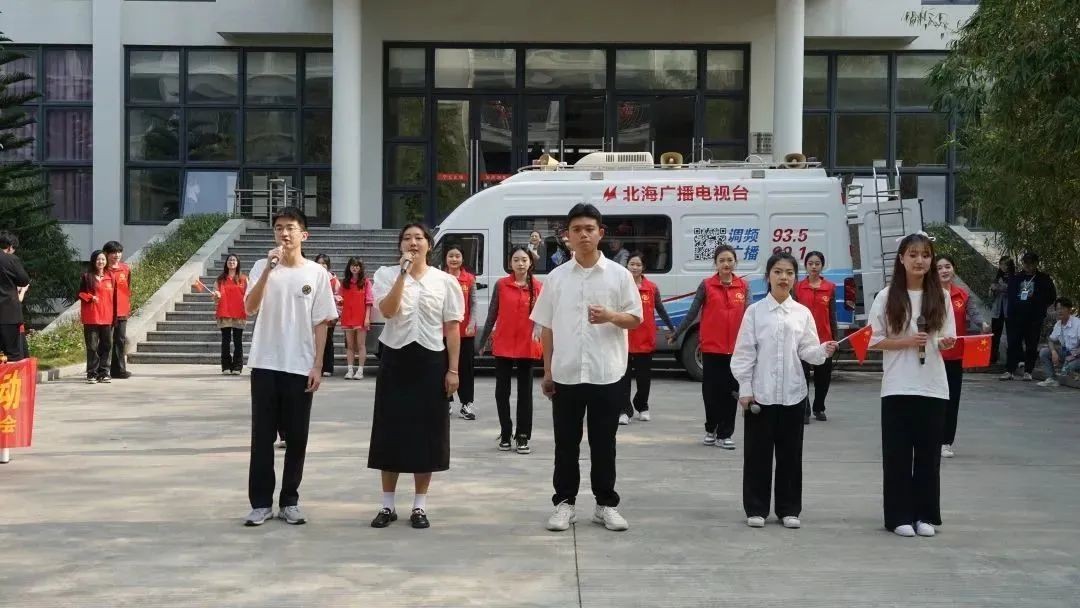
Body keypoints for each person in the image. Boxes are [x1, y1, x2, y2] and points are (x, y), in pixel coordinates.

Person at [531, 203, 642, 533]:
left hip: (607, 373)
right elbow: (547, 326)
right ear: (567, 235)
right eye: (576, 229)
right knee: (566, 444)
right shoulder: (556, 278)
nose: (583, 235)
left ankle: (605, 504)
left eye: (589, 229)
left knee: (604, 443)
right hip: (566, 374)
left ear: (600, 233)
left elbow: (635, 318)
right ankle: (564, 504)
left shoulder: (619, 276)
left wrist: (610, 316)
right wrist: (547, 371)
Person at [242, 207, 337, 527]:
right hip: (265, 362)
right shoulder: (261, 266)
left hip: (300, 366)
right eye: (279, 227)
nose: (284, 233)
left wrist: (318, 364)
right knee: (262, 437)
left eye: (290, 228)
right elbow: (249, 307)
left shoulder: (316, 273)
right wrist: (269, 271)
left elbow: (322, 322)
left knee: (297, 437)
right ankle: (260, 503)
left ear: (303, 235)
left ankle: (290, 501)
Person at [731, 252, 838, 529]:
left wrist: (822, 351)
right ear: (768, 276)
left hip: (793, 394)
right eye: (778, 272)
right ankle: (756, 508)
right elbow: (744, 353)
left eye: (789, 273)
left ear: (795, 278)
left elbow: (808, 350)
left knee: (791, 455)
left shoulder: (802, 313)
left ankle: (789, 509)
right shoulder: (755, 312)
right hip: (761, 395)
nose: (783, 277)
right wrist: (745, 388)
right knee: (757, 455)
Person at [368, 223, 464, 530]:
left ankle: (419, 505)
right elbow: (387, 311)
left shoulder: (445, 281)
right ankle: (387, 504)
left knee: (427, 433)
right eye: (407, 238)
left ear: (429, 245)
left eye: (419, 238)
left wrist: (453, 370)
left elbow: (452, 327)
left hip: (430, 360)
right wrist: (402, 274)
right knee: (390, 431)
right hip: (395, 359)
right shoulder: (386, 274)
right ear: (400, 245)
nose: (413, 242)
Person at [868, 232, 957, 538]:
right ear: (902, 258)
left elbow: (946, 336)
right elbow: (873, 340)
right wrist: (906, 341)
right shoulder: (886, 296)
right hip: (898, 386)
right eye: (914, 254)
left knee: (929, 457)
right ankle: (899, 516)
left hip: (933, 386)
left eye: (926, 255)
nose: (920, 260)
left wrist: (945, 342)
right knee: (898, 456)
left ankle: (925, 516)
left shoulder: (941, 296)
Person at [670, 244, 750, 449]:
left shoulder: (743, 286)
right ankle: (711, 428)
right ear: (715, 264)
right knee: (712, 393)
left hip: (735, 351)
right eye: (722, 260)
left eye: (729, 260)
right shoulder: (706, 285)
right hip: (711, 349)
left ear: (735, 262)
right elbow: (692, 313)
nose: (726, 264)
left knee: (731, 393)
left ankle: (725, 434)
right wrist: (677, 334)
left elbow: (751, 317)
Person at [478, 246, 543, 454]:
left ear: (530, 262)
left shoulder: (538, 286)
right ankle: (506, 432)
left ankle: (522, 435)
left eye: (524, 259)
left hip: (527, 345)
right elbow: (492, 313)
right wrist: (482, 341)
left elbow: (543, 317)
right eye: (516, 260)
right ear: (510, 263)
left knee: (525, 393)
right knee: (501, 392)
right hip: (503, 344)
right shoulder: (501, 284)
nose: (520, 263)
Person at [936, 255, 986, 459]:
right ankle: (928, 439)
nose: (944, 270)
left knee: (952, 400)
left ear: (953, 269)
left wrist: (983, 325)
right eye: (939, 268)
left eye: (947, 266)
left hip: (955, 356)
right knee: (932, 400)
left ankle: (946, 442)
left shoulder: (962, 295)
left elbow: (975, 315)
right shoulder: (929, 295)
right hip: (933, 355)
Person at [620, 251, 675, 424]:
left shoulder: (651, 288)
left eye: (638, 265)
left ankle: (642, 406)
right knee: (623, 379)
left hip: (645, 340)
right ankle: (624, 411)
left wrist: (672, 328)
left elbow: (660, 309)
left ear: (643, 267)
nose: (635, 267)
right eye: (632, 264)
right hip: (624, 340)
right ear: (627, 266)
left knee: (644, 380)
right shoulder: (621, 286)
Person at [794, 251, 838, 424]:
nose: (814, 267)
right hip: (802, 339)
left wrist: (835, 339)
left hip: (824, 339)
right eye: (810, 263)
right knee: (802, 376)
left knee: (823, 377)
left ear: (822, 266)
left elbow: (832, 315)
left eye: (817, 263)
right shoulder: (797, 287)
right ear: (805, 265)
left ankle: (819, 407)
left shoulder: (830, 287)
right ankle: (804, 409)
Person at [1002, 252, 1056, 381]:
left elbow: (1051, 296)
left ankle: (1028, 371)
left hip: (1034, 318)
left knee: (1031, 344)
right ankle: (1010, 370)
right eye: (1026, 263)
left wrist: (1040, 307)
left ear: (1036, 263)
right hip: (1016, 317)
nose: (1028, 266)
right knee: (1013, 343)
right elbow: (1011, 295)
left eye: (1031, 263)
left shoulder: (1043, 279)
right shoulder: (1017, 277)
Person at [443, 244, 478, 420]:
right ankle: (446, 402)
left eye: (457, 256)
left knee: (466, 369)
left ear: (462, 259)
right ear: (445, 258)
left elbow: (474, 304)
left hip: (465, 333)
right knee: (443, 367)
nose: (454, 259)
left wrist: (472, 323)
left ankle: (466, 404)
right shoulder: (439, 278)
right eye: (451, 256)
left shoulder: (469, 279)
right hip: (443, 332)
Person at [77, 250, 116, 384]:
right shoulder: (87, 276)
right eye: (98, 259)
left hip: (107, 317)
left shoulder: (111, 277)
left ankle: (104, 373)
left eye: (103, 259)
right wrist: (90, 297)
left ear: (106, 261)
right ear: (94, 261)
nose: (101, 262)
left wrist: (115, 317)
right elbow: (80, 294)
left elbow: (114, 298)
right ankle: (92, 373)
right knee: (92, 347)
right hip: (91, 317)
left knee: (107, 345)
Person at [213, 253, 247, 375]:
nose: (231, 262)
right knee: (225, 341)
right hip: (224, 312)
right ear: (226, 263)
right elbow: (215, 295)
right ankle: (226, 366)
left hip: (239, 312)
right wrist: (216, 295)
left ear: (237, 263)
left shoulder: (244, 279)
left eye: (234, 260)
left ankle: (237, 366)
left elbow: (248, 294)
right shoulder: (220, 279)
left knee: (238, 341)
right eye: (229, 260)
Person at [339, 257, 373, 380]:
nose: (355, 268)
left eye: (357, 265)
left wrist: (367, 318)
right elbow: (340, 298)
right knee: (350, 345)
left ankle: (360, 370)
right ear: (349, 267)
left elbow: (369, 302)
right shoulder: (344, 283)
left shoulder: (366, 282)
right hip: (347, 316)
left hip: (361, 317)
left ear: (361, 268)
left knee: (361, 345)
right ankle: (349, 370)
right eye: (353, 265)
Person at [103, 241, 132, 379]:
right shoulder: (102, 270)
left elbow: (127, 288)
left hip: (121, 310)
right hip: (106, 311)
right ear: (106, 254)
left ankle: (119, 370)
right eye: (113, 252)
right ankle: (102, 370)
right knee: (105, 341)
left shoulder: (125, 269)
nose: (117, 255)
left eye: (119, 252)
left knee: (120, 340)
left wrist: (127, 306)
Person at [0, 231, 30, 361]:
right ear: (10, 246)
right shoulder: (11, 259)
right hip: (8, 314)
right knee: (12, 353)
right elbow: (23, 280)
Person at [1037, 298, 1080, 388]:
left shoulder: (1077, 323)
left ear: (1069, 309)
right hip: (1067, 353)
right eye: (1058, 309)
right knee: (1044, 352)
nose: (1059, 311)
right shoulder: (1058, 324)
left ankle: (1074, 372)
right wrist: (1053, 352)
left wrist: (1073, 356)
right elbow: (1050, 340)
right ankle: (1051, 379)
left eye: (1062, 308)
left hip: (1077, 355)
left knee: (1069, 368)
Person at [314, 254, 340, 378]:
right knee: (315, 341)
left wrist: (336, 315)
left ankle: (328, 367)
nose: (321, 265)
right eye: (319, 262)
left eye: (324, 263)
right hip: (315, 314)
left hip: (328, 315)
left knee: (327, 340)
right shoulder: (311, 276)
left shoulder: (333, 280)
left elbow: (339, 297)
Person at [988, 256, 1014, 365]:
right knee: (995, 335)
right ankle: (992, 358)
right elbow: (990, 295)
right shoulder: (997, 277)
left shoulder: (1014, 277)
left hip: (1009, 310)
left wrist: (999, 288)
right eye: (1001, 264)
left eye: (1006, 264)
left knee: (1012, 335)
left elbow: (1012, 291)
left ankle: (1012, 359)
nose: (1003, 266)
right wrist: (992, 290)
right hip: (997, 310)